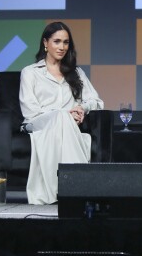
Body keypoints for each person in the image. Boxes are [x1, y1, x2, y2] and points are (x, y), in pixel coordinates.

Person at [19, 21, 104, 205]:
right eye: (57, 41)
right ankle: (81, 190)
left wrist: (82, 108)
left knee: (64, 120)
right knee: (61, 117)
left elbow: (97, 102)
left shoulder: (76, 73)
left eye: (66, 42)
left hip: (69, 128)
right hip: (37, 123)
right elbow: (30, 110)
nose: (62, 47)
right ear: (45, 43)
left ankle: (69, 191)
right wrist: (65, 114)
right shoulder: (30, 73)